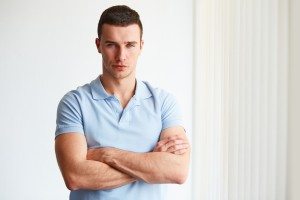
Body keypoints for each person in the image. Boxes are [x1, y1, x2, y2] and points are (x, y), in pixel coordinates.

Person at [55, 5, 190, 200]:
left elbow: (177, 172)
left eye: (130, 45)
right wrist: (151, 163)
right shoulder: (74, 103)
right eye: (111, 45)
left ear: (141, 46)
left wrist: (106, 155)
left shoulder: (163, 103)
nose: (121, 56)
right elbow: (75, 176)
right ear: (98, 44)